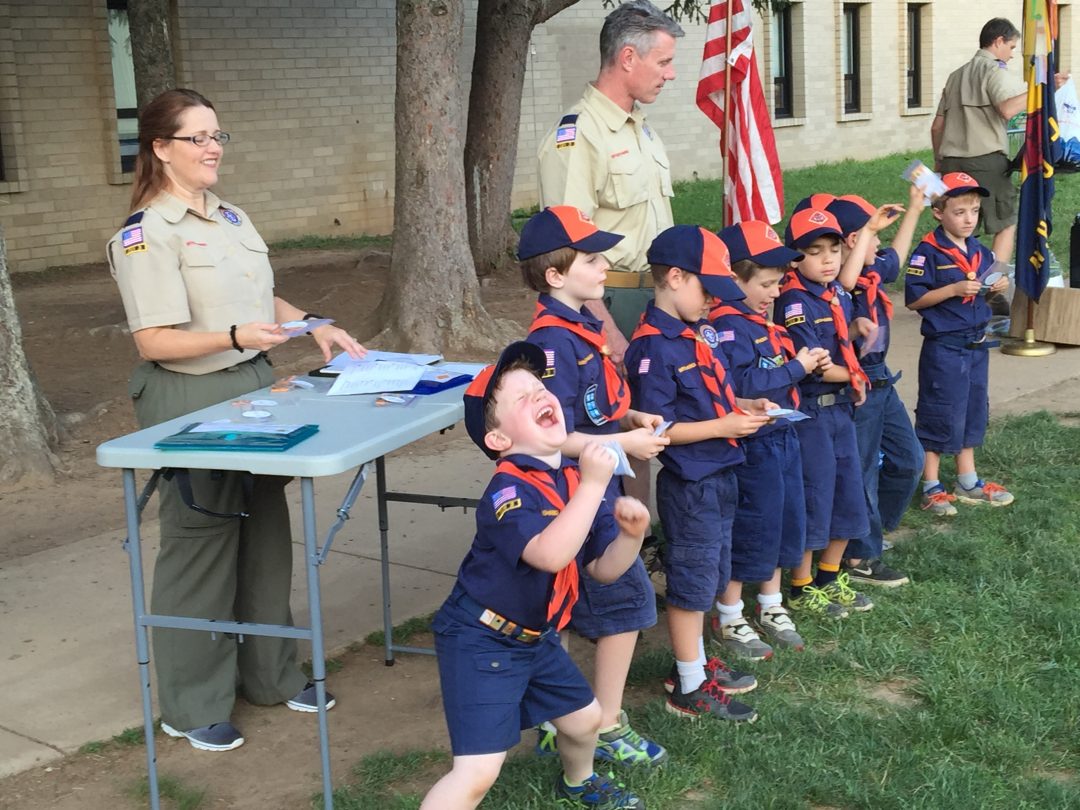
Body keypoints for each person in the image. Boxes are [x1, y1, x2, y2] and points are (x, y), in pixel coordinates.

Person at [106, 89, 365, 752]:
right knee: (201, 546)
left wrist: (312, 323)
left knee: (265, 533)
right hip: (191, 399)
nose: (214, 146)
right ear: (161, 148)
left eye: (218, 135)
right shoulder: (145, 235)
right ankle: (191, 704)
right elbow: (154, 341)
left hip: (252, 383)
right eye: (197, 137)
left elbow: (256, 297)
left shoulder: (230, 218)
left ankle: (272, 675)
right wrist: (235, 335)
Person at [420, 342, 649, 810]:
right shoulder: (508, 490)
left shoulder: (572, 479)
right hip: (481, 638)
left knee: (586, 721)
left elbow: (601, 570)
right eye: (520, 398)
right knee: (479, 772)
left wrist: (631, 536)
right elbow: (549, 554)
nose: (539, 395)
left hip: (534, 637)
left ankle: (578, 782)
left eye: (539, 387)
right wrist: (593, 485)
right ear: (500, 440)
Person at [518, 206, 670, 767]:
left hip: (598, 477)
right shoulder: (552, 345)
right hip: (574, 491)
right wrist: (622, 447)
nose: (605, 264)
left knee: (600, 600)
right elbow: (550, 438)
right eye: (591, 258)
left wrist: (626, 421)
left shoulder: (580, 327)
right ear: (555, 275)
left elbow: (589, 409)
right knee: (613, 600)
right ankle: (592, 724)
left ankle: (582, 722)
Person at [625, 225, 771, 722]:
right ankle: (688, 686)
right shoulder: (651, 348)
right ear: (673, 277)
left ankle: (696, 662)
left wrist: (745, 406)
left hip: (721, 472)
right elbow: (659, 429)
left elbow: (710, 396)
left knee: (711, 575)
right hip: (692, 484)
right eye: (706, 289)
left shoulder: (693, 334)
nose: (712, 300)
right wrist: (723, 425)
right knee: (690, 584)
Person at [708, 221, 829, 659]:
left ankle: (771, 605)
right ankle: (730, 613)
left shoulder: (759, 320)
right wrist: (797, 368)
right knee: (752, 527)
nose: (776, 293)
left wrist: (805, 361)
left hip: (782, 436)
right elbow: (742, 380)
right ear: (733, 280)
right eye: (766, 284)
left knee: (783, 523)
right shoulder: (725, 326)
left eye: (779, 283)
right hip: (752, 444)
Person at [537, 0, 683, 364]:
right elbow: (566, 250)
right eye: (664, 62)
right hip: (611, 303)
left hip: (657, 299)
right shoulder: (579, 134)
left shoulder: (640, 127)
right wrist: (607, 331)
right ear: (628, 58)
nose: (671, 74)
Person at [775, 209, 874, 619]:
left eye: (834, 250)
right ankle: (800, 584)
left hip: (840, 413)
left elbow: (834, 337)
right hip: (813, 411)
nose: (829, 259)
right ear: (795, 259)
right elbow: (813, 361)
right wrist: (856, 377)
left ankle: (830, 576)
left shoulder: (833, 293)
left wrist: (854, 332)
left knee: (847, 491)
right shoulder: (794, 301)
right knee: (814, 496)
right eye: (816, 252)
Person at [825, 191, 924, 587]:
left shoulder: (870, 272)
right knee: (862, 470)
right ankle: (859, 555)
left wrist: (915, 208)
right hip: (857, 385)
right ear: (853, 241)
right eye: (872, 235)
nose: (880, 243)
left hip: (883, 379)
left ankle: (870, 534)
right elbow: (845, 281)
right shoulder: (837, 284)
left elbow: (895, 259)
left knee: (908, 460)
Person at [905, 172, 1015, 515]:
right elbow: (913, 300)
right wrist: (951, 290)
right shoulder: (928, 252)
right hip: (945, 347)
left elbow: (988, 279)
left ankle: (968, 480)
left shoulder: (979, 251)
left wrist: (998, 283)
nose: (968, 219)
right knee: (940, 411)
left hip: (976, 344)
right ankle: (931, 486)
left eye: (974, 211)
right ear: (938, 212)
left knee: (971, 411)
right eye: (959, 212)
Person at [931, 18, 1028, 265]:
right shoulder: (993, 70)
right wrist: (1041, 91)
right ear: (999, 41)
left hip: (951, 163)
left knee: (957, 226)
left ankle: (956, 279)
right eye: (1012, 47)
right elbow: (1007, 109)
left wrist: (939, 163)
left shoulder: (955, 76)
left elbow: (937, 126)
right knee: (1005, 222)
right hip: (986, 161)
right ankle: (994, 287)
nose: (1012, 55)